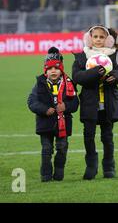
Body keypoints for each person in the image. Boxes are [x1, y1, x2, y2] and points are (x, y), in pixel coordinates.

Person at [72, 25, 118, 180]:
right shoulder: (82, 56)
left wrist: (115, 76)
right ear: (90, 38)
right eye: (95, 37)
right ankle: (91, 166)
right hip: (90, 103)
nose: (98, 40)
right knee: (89, 136)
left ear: (108, 39)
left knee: (107, 137)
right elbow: (77, 77)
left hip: (108, 103)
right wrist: (94, 73)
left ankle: (109, 166)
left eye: (101, 37)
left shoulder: (114, 56)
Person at [28, 47, 79, 182]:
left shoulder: (69, 84)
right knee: (46, 149)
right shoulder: (39, 84)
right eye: (50, 69)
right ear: (46, 71)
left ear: (61, 69)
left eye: (56, 68)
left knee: (62, 148)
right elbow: (32, 102)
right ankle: (45, 175)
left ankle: (59, 172)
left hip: (64, 123)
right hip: (45, 124)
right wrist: (45, 109)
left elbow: (75, 103)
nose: (53, 71)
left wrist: (66, 106)